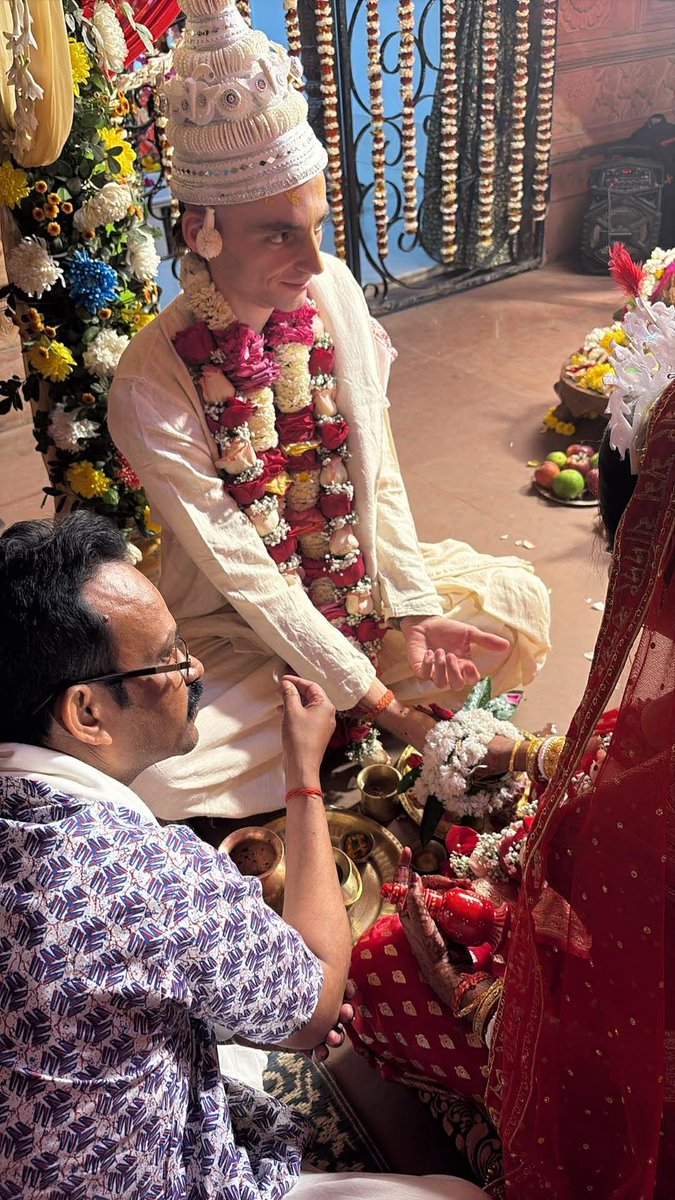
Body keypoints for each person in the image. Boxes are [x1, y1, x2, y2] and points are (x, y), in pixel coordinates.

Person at [107, 0, 550, 823]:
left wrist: (412, 610)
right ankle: (351, 717)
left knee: (515, 603)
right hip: (235, 630)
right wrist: (386, 705)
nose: (312, 261)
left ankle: (339, 716)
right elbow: (244, 574)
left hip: (358, 585)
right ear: (202, 231)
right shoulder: (149, 381)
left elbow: (376, 474)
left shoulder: (333, 289)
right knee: (162, 781)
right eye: (278, 235)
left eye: (316, 225)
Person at [0, 509, 488, 1200]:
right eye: (169, 658)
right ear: (87, 714)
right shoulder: (148, 877)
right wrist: (303, 772)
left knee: (224, 1035)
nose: (194, 667)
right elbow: (318, 1005)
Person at [348, 303, 675, 1198]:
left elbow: (608, 997)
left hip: (634, 1075)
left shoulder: (625, 829)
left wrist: (467, 991)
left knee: (379, 960)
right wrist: (528, 755)